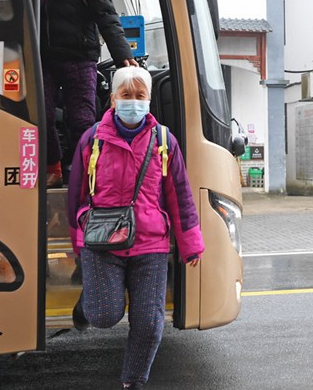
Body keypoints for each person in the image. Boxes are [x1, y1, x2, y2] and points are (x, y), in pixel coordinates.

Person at [68, 66, 204, 390]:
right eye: (126, 96)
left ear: (149, 100)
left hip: (150, 245)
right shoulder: (92, 140)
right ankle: (91, 295)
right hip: (103, 242)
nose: (133, 102)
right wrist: (79, 241)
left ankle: (133, 382)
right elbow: (77, 193)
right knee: (104, 314)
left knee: (148, 325)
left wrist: (191, 244)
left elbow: (180, 195)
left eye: (139, 96)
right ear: (113, 99)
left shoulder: (163, 141)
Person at [39, 0, 137, 187]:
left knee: (83, 118)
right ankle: (53, 167)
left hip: (80, 58)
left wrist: (122, 53)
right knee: (42, 116)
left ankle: (90, 170)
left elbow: (106, 14)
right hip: (43, 58)